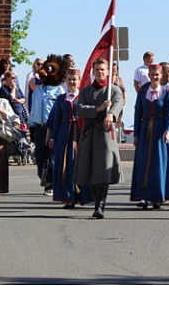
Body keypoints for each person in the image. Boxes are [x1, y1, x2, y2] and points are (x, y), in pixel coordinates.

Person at [75, 58, 124, 219]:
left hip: (105, 133)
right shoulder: (86, 91)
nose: (100, 72)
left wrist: (110, 113)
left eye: (103, 69)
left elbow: (119, 102)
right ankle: (96, 201)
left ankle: (100, 205)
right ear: (93, 72)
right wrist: (98, 109)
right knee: (90, 169)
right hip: (89, 133)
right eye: (97, 70)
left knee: (103, 169)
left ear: (108, 71)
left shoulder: (114, 90)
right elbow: (80, 109)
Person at [131, 64, 169, 209]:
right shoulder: (142, 92)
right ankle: (143, 195)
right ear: (149, 75)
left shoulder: (167, 92)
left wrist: (168, 131)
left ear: (161, 75)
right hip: (146, 129)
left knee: (158, 163)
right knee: (144, 162)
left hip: (160, 129)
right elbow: (138, 113)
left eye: (157, 74)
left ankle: (158, 196)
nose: (155, 77)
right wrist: (136, 134)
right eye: (152, 74)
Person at [46, 68, 91, 208]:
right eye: (69, 79)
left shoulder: (84, 97)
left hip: (79, 133)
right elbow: (56, 120)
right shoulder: (60, 99)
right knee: (65, 163)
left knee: (79, 163)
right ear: (66, 81)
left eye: (74, 79)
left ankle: (83, 195)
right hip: (64, 133)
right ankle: (68, 197)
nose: (72, 82)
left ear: (79, 81)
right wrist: (52, 137)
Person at [29, 54, 66, 195]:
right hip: (39, 128)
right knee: (39, 156)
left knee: (52, 156)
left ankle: (51, 183)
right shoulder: (37, 91)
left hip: (53, 128)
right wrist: (31, 126)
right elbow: (34, 110)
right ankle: (44, 177)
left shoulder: (59, 92)